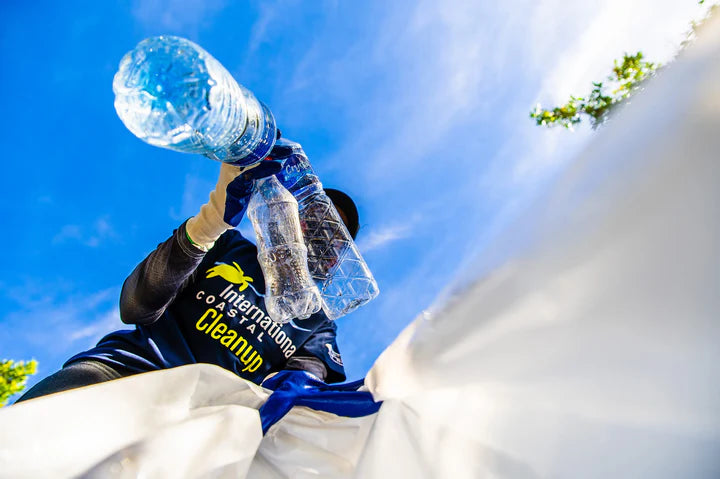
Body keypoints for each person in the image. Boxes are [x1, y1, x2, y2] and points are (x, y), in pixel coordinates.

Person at [16, 138, 359, 403]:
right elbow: (135, 305)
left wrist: (297, 387)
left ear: (336, 260)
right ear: (285, 215)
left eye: (333, 235)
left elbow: (302, 387)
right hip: (121, 375)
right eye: (313, 219)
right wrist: (210, 222)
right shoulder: (227, 246)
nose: (318, 235)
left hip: (199, 430)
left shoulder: (317, 322)